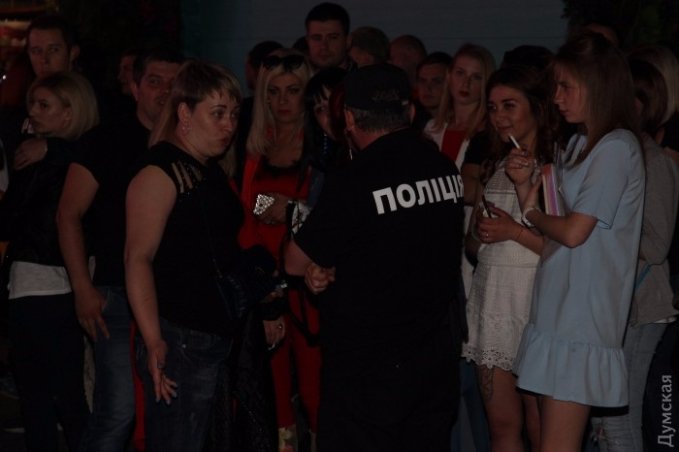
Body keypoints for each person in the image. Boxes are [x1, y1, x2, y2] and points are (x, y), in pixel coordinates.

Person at [284, 63, 465, 451]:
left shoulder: (356, 179)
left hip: (369, 370)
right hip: (434, 363)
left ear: (349, 119)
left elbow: (294, 261)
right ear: (409, 112)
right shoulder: (444, 167)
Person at [508, 32, 645, 451]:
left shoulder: (616, 148)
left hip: (581, 319)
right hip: (557, 308)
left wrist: (530, 213)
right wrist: (525, 188)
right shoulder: (581, 144)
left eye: (567, 87)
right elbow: (557, 230)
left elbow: (573, 232)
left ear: (598, 85)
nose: (558, 98)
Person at [56, 47, 182, 452]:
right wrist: (82, 287)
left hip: (176, 295)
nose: (165, 92)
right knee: (119, 409)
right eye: (155, 81)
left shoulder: (189, 142)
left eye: (173, 83)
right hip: (116, 292)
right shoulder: (105, 140)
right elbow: (68, 213)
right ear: (135, 86)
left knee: (171, 410)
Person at [125, 60, 243, 452]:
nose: (229, 125)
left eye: (234, 114)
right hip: (180, 337)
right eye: (218, 113)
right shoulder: (160, 170)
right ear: (185, 114)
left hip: (210, 335)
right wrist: (154, 340)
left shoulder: (208, 168)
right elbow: (137, 258)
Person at [0, 71, 98, 452]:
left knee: (62, 396)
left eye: (44, 105)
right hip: (28, 284)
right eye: (32, 104)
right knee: (39, 398)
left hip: (53, 286)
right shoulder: (34, 154)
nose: (34, 112)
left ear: (69, 113)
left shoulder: (71, 158)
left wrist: (50, 150)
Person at [463, 65, 559, 452]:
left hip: (535, 308)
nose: (499, 116)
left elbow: (566, 248)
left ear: (536, 107)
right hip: (493, 306)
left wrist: (513, 232)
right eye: (492, 107)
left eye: (509, 105)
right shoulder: (494, 164)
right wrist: (481, 232)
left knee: (541, 427)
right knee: (501, 426)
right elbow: (473, 246)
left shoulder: (555, 168)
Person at [589, 58, 679, 452]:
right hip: (616, 304)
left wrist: (602, 223)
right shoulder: (614, 153)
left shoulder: (654, 161)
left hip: (641, 307)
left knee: (619, 419)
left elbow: (657, 245)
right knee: (603, 422)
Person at [240, 48, 319, 451]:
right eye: (273, 91)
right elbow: (247, 208)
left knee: (314, 387)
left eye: (292, 90)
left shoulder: (319, 144)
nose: (282, 100)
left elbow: (333, 214)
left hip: (308, 281)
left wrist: (292, 209)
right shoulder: (258, 144)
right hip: (265, 281)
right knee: (272, 388)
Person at [304, 2, 351, 70]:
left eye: (332, 38)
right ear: (307, 41)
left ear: (348, 41)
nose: (324, 46)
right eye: (317, 38)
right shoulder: (297, 75)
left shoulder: (363, 76)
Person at [415, 51, 452, 119]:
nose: (427, 88)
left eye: (436, 81)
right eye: (422, 81)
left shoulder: (464, 122)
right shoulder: (412, 119)